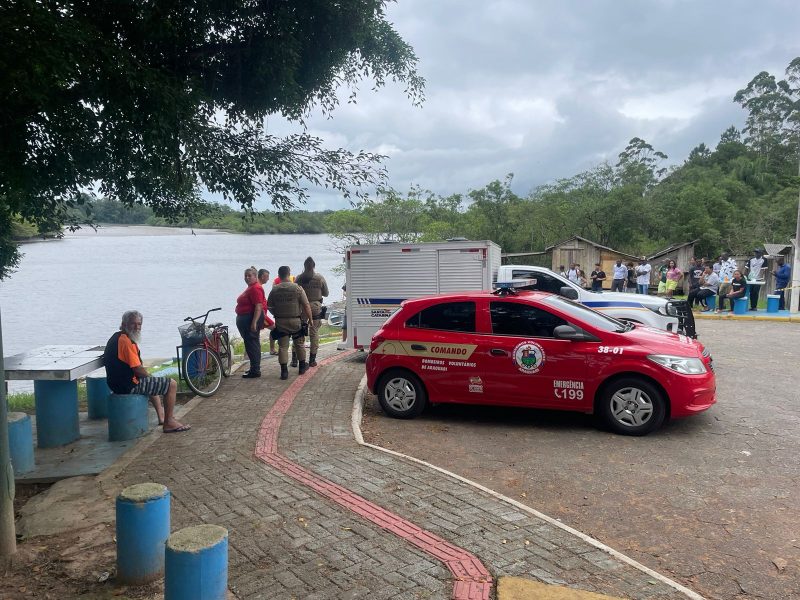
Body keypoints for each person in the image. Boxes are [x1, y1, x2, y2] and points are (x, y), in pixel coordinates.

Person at [104, 311, 189, 433]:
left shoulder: (119, 337)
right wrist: (150, 376)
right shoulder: (125, 341)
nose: (137, 327)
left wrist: (150, 377)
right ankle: (169, 422)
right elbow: (138, 369)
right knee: (171, 384)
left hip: (117, 383)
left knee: (152, 382)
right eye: (133, 324)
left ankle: (162, 417)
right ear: (123, 324)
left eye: (139, 324)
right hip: (126, 385)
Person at [268, 266, 313, 380]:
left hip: (281, 321)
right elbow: (306, 305)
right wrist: (310, 319)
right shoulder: (297, 288)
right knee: (299, 344)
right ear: (289, 274)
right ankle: (302, 367)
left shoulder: (275, 289)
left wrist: (276, 313)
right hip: (295, 321)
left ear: (279, 275)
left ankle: (284, 372)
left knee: (283, 347)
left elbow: (269, 306)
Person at [294, 256, 329, 367]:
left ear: (304, 266)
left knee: (299, 332)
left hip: (302, 308)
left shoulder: (299, 278)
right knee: (314, 333)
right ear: (314, 266)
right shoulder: (320, 278)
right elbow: (326, 293)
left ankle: (295, 359)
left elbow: (294, 292)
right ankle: (312, 359)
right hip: (316, 307)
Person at [235, 266, 266, 378]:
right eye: (246, 276)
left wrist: (254, 322)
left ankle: (255, 370)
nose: (247, 278)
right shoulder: (251, 287)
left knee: (252, 344)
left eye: (250, 275)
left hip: (250, 319)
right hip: (245, 319)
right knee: (250, 344)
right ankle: (254, 367)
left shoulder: (255, 288)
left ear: (255, 276)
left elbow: (258, 306)